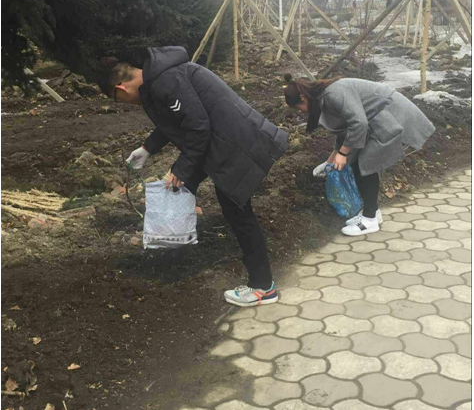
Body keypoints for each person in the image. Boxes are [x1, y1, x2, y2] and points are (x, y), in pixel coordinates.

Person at [99, 46, 288, 307]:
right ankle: (179, 241)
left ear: (121, 88)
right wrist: (147, 148)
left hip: (234, 145)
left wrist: (182, 168)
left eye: (118, 100)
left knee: (239, 214)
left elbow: (198, 127)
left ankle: (263, 287)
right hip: (225, 143)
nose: (124, 104)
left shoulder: (165, 81)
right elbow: (176, 120)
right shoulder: (159, 78)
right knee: (195, 189)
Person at [283, 74, 435, 236]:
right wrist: (330, 161)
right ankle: (373, 212)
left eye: (298, 107)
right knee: (357, 162)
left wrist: (343, 153)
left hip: (389, 114)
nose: (301, 111)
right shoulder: (323, 98)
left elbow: (358, 123)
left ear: (303, 98)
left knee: (364, 164)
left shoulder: (333, 94)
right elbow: (345, 130)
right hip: (375, 118)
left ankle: (369, 221)